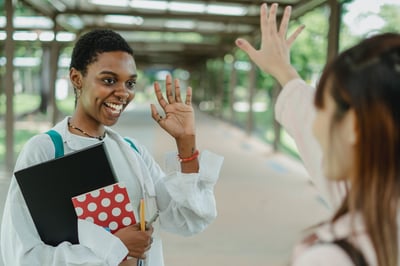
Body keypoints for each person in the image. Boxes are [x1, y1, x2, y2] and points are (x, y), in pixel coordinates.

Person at [1, 29, 223, 266]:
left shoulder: (132, 152)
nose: (123, 93)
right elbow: (20, 255)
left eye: (130, 83)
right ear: (77, 78)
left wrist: (186, 143)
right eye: (108, 80)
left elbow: (187, 218)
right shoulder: (45, 150)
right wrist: (113, 249)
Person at [236, 3, 400, 265]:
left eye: (321, 109)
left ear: (354, 127)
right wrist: (283, 71)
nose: (314, 125)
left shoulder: (332, 257)